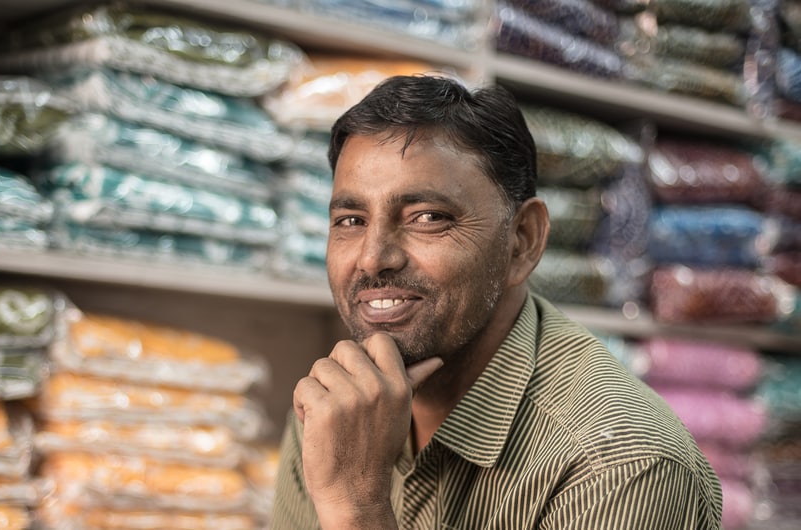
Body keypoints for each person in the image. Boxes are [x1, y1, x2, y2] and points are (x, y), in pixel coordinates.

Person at [269, 74, 723, 529]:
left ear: (522, 241)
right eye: (350, 220)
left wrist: (356, 508)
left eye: (428, 217)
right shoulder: (335, 409)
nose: (372, 258)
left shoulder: (620, 467)